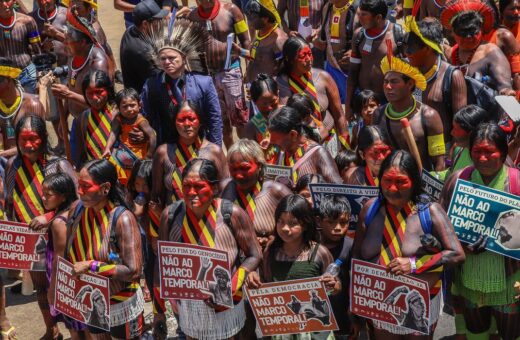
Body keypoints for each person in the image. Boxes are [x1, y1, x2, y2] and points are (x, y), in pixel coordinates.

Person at [353, 150, 465, 337]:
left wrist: (413, 264)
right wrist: (356, 304)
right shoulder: (369, 209)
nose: (393, 189)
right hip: (379, 303)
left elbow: (457, 254)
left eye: (401, 182)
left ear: (414, 182)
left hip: (420, 305)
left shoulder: (430, 213)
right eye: (387, 181)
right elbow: (356, 256)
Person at [154, 158, 262, 339]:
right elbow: (161, 261)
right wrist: (158, 310)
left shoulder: (232, 214)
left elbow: (254, 254)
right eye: (186, 185)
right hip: (188, 305)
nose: (191, 192)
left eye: (199, 186)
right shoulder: (171, 215)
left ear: (214, 188)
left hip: (225, 303)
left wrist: (230, 286)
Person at [440, 123, 520, 340]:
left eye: (489, 152)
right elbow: (442, 225)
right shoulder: (457, 180)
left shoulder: (517, 183)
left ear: (503, 153)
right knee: (476, 331)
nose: (482, 158)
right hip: (468, 279)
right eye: (477, 152)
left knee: (512, 334)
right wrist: (459, 245)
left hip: (510, 279)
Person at [4, 114, 76, 340]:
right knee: (41, 289)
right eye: (23, 139)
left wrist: (50, 216)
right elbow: (9, 202)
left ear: (44, 138)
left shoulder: (59, 165)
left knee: (68, 287)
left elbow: (79, 201)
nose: (28, 145)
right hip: (30, 243)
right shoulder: (12, 166)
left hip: (62, 240)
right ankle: (51, 330)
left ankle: (79, 334)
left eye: (33, 139)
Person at [62, 159, 144, 338]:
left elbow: (133, 271)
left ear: (105, 188)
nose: (80, 192)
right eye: (79, 185)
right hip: (93, 302)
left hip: (121, 304)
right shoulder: (77, 210)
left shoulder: (123, 219)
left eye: (86, 186)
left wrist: (92, 266)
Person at [246, 194, 341, 340]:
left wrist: (333, 285)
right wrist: (253, 278)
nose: (285, 228)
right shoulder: (271, 251)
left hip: (313, 330)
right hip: (282, 328)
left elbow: (335, 286)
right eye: (280, 221)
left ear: (305, 224)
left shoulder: (319, 253)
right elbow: (265, 283)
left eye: (293, 223)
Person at [141, 17, 223, 146]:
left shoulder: (203, 83)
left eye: (172, 58)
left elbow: (215, 118)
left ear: (184, 58)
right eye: (163, 59)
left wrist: (215, 149)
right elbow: (145, 117)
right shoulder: (151, 86)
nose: (167, 62)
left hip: (199, 144)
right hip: (167, 147)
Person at [29, 173, 86, 340]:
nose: (43, 198)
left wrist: (53, 289)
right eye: (43, 193)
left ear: (63, 196)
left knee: (73, 325)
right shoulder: (72, 211)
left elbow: (59, 260)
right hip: (73, 277)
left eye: (48, 194)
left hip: (65, 280)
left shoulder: (58, 223)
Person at [374, 44, 446, 172]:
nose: (388, 87)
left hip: (421, 184)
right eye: (386, 82)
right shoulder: (378, 115)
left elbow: (439, 163)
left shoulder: (429, 116)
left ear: (410, 84)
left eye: (394, 82)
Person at [189, 0, 250, 149]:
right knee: (221, 123)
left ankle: (247, 154)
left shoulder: (232, 10)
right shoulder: (192, 17)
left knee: (240, 119)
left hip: (231, 72)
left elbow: (246, 40)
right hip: (208, 76)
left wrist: (248, 68)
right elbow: (191, 48)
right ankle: (231, 158)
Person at [277, 37, 351, 153]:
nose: (309, 59)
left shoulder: (323, 77)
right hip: (300, 148)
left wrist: (346, 149)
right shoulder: (282, 83)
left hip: (329, 142)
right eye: (302, 56)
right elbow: (284, 119)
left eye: (309, 54)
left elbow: (339, 116)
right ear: (290, 59)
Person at [151, 100, 228, 208]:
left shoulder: (214, 152)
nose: (187, 124)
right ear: (174, 123)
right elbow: (156, 194)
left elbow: (224, 190)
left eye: (191, 119)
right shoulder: (163, 153)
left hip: (208, 219)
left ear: (200, 122)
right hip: (174, 219)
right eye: (181, 120)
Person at [404, 16, 467, 143]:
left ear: (427, 48)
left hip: (443, 151)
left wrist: (449, 158)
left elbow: (461, 125)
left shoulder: (452, 76)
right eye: (406, 48)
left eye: (411, 49)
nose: (407, 53)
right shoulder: (404, 72)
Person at [222, 139, 292, 249]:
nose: (239, 175)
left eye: (244, 168)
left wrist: (274, 239)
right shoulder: (223, 190)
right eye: (234, 169)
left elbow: (298, 227)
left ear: (259, 165)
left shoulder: (277, 192)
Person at [441, 0, 516, 95]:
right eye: (463, 32)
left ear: (481, 29)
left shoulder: (491, 51)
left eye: (472, 31)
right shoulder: (452, 52)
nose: (468, 37)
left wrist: (505, 90)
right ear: (453, 32)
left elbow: (504, 84)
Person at [345, 0, 405, 119]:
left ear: (378, 17)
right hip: (363, 100)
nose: (359, 18)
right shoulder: (359, 35)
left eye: (364, 15)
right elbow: (352, 72)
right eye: (359, 14)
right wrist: (348, 106)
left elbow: (410, 74)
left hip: (388, 102)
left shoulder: (398, 35)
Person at [268, 106, 343, 184]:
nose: (271, 141)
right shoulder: (281, 155)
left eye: (276, 140)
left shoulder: (318, 153)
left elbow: (338, 190)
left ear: (293, 135)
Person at [317, 194, 353, 337]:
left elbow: (355, 283)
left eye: (343, 222)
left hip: (341, 314)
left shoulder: (350, 246)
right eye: (331, 222)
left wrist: (354, 318)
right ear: (319, 221)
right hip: (315, 316)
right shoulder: (311, 243)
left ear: (349, 221)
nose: (337, 228)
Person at [0, 57, 45, 160]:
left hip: (31, 163)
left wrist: (3, 155)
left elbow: (36, 144)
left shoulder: (32, 104)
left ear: (8, 80)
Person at [314, 0, 359, 102]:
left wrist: (355, 52)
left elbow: (369, 36)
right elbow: (324, 32)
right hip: (331, 66)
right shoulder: (327, 7)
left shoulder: (359, 9)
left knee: (353, 105)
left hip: (352, 70)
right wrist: (317, 39)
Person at [126, 160, 157, 307]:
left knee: (155, 278)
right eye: (137, 184)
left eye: (145, 185)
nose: (141, 189)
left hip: (154, 242)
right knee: (143, 276)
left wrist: (156, 211)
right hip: (139, 243)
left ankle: (158, 309)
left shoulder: (157, 199)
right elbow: (135, 213)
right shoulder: (134, 197)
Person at [120, 0, 168, 92]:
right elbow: (161, 79)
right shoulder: (143, 51)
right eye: (158, 20)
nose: (161, 23)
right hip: (145, 99)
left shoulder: (130, 31)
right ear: (145, 24)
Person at [103, 88, 157, 168]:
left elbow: (153, 137)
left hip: (139, 154)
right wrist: (107, 148)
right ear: (118, 108)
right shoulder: (118, 119)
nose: (129, 109)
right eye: (125, 107)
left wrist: (149, 155)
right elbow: (113, 133)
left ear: (139, 105)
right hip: (123, 152)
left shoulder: (140, 120)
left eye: (132, 105)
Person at [0, 0, 41, 93]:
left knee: (31, 105)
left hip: (27, 75)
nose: (5, 5)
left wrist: (39, 77)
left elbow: (38, 51)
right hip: (4, 78)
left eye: (7, 0)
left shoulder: (28, 21)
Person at [71, 0, 118, 80]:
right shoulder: (70, 24)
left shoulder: (95, 29)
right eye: (73, 8)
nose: (75, 12)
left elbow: (105, 46)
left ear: (89, 9)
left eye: (78, 9)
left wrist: (115, 70)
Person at [77, 70, 115, 166]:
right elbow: (82, 152)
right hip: (96, 170)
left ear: (108, 90)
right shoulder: (83, 119)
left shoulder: (119, 113)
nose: (94, 97)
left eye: (99, 92)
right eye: (89, 93)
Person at [243, 0, 288, 82]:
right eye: (248, 18)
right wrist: (239, 51)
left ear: (265, 18)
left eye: (252, 18)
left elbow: (283, 71)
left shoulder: (278, 40)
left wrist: (269, 88)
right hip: (256, 88)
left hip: (268, 90)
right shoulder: (260, 35)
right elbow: (256, 57)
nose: (249, 22)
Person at [276, 0, 325, 67]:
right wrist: (287, 31)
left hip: (315, 45)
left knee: (316, 73)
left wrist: (318, 30)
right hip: (295, 45)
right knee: (295, 73)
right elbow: (279, 14)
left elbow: (327, 17)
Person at [243, 73, 280, 146]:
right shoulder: (251, 127)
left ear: (278, 94)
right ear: (254, 102)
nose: (269, 107)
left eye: (273, 102)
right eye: (264, 104)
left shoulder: (287, 114)